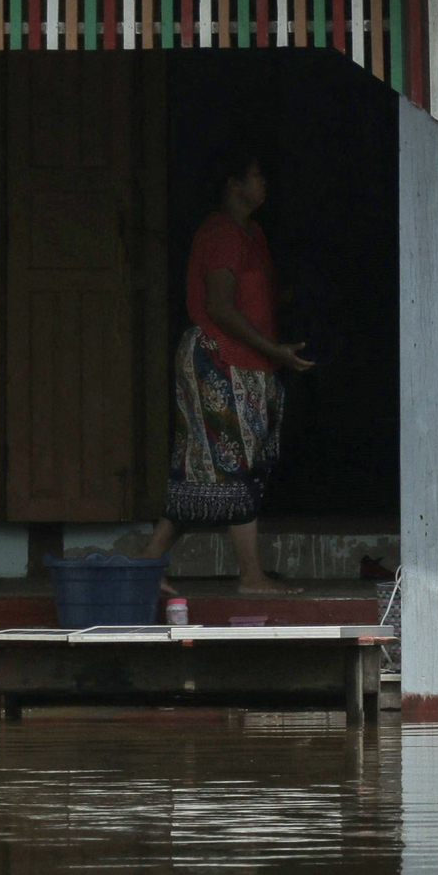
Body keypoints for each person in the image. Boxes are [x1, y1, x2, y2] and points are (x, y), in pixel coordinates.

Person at [139, 146, 314, 595]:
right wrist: (272, 348)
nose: (264, 184)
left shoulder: (251, 232)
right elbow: (219, 307)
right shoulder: (220, 233)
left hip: (248, 363)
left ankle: (145, 567)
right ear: (233, 184)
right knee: (232, 466)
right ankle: (251, 576)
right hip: (219, 360)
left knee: (207, 470)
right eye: (256, 176)